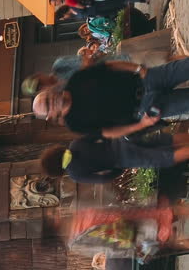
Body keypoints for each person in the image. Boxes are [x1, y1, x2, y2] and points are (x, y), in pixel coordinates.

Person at [32, 58, 189, 138]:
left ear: (50, 90)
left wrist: (139, 69)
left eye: (47, 98)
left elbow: (108, 66)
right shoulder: (75, 124)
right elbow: (109, 132)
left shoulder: (76, 80)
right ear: (50, 116)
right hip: (146, 107)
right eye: (47, 106)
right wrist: (141, 125)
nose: (51, 101)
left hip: (146, 78)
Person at [39, 133, 189, 184]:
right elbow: (101, 134)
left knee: (165, 158)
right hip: (124, 141)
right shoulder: (75, 144)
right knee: (165, 140)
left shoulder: (75, 174)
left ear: (57, 170)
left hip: (124, 158)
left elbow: (102, 179)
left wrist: (118, 169)